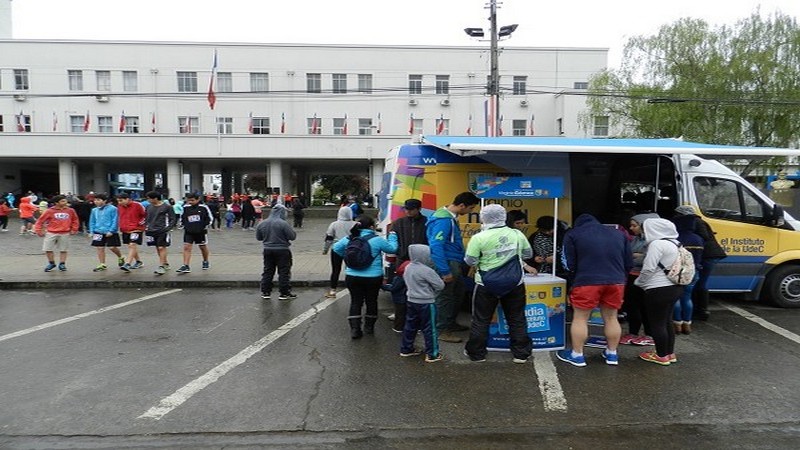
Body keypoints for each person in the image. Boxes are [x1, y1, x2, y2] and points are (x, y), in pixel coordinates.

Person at [463, 204, 535, 363]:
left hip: (485, 284)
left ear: (484, 218)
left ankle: (477, 354)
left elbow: (470, 260)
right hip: (515, 282)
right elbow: (528, 253)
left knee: (481, 319)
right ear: (503, 217)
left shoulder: (479, 237)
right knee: (517, 318)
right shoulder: (517, 234)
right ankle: (521, 354)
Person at [557, 213, 632, 367]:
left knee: (580, 318)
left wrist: (573, 279)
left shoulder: (573, 234)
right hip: (616, 281)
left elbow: (567, 263)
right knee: (612, 318)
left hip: (586, 281)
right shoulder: (618, 234)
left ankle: (577, 355)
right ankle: (612, 354)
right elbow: (628, 262)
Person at [426, 191, 480, 343]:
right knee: (445, 297)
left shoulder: (448, 217)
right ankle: (442, 330)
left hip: (453, 261)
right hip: (448, 262)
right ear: (462, 205)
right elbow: (436, 245)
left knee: (458, 293)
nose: (470, 212)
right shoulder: (444, 220)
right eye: (470, 208)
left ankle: (450, 323)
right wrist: (444, 270)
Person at [332, 215, 398, 339]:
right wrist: (393, 236)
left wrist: (346, 258)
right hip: (373, 277)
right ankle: (369, 327)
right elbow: (393, 249)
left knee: (356, 302)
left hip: (352, 276)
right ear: (372, 227)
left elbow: (336, 248)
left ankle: (355, 330)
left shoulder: (351, 238)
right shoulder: (377, 240)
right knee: (371, 301)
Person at [634, 218, 684, 365]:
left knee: (657, 323)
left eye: (645, 229)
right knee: (667, 321)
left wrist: (640, 283)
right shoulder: (675, 243)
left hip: (658, 289)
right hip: (675, 287)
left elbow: (649, 268)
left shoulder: (656, 244)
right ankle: (669, 353)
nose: (644, 233)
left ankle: (661, 356)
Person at [675, 205, 726, 321]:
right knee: (697, 284)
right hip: (705, 255)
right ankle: (697, 310)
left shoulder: (696, 222)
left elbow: (705, 236)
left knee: (700, 284)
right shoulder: (695, 222)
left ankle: (702, 310)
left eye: (677, 214)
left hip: (707, 256)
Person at [619, 213, 659, 347]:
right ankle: (633, 333)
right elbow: (629, 255)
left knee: (646, 307)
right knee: (632, 305)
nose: (631, 228)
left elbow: (649, 259)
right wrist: (636, 256)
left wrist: (637, 257)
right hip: (632, 275)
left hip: (648, 277)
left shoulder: (655, 240)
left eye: (635, 225)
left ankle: (650, 335)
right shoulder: (636, 239)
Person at [400, 244, 446, 362]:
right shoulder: (427, 270)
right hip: (426, 302)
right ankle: (432, 354)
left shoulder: (408, 267)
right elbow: (440, 285)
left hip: (411, 300)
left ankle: (406, 349)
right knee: (430, 328)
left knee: (410, 325)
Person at [388, 198, 428, 328]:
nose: (408, 211)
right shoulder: (398, 223)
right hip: (402, 260)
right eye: (406, 209)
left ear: (419, 209)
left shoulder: (427, 222)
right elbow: (392, 240)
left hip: (421, 261)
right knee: (400, 289)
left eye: (411, 209)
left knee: (418, 289)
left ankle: (418, 317)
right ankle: (399, 313)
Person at [671, 211, 704, 334]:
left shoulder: (677, 238)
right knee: (687, 297)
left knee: (676, 298)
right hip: (693, 272)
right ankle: (687, 323)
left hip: (678, 272)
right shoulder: (698, 239)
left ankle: (677, 323)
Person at [255, 204, 297, 300]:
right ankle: (284, 293)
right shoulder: (283, 223)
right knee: (284, 271)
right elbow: (292, 236)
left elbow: (258, 237)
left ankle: (266, 292)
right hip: (283, 250)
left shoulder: (262, 223)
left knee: (268, 270)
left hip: (267, 250)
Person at [33, 195, 79, 272]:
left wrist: (74, 229)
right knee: (47, 248)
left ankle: (62, 263)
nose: (65, 202)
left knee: (63, 249)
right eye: (63, 201)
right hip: (51, 232)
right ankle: (51, 263)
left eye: (65, 201)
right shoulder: (49, 211)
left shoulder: (70, 210)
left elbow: (75, 220)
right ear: (56, 203)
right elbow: (40, 221)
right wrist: (38, 230)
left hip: (65, 232)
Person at [323, 206, 357, 298]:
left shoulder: (334, 224)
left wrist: (325, 250)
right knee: (351, 269)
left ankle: (333, 290)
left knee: (335, 270)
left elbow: (329, 238)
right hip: (352, 249)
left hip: (337, 249)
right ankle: (353, 289)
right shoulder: (356, 224)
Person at [176, 193, 212, 273]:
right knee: (187, 247)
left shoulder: (203, 207)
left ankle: (205, 261)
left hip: (201, 232)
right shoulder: (185, 208)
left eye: (192, 200)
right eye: (189, 200)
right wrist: (183, 225)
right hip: (189, 231)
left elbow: (209, 218)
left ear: (198, 199)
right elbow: (182, 218)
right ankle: (185, 265)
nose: (190, 202)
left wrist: (204, 226)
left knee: (202, 247)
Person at [88, 193, 124, 272]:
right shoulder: (94, 210)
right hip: (98, 231)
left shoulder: (113, 209)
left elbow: (115, 220)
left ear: (104, 201)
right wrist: (91, 231)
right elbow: (92, 221)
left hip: (110, 231)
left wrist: (111, 230)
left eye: (98, 200)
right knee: (99, 248)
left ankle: (120, 257)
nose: (96, 202)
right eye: (95, 200)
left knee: (112, 247)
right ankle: (102, 264)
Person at [144, 191, 177, 276]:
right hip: (151, 230)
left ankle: (161, 266)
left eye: (149, 198)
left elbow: (173, 218)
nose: (148, 200)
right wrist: (146, 227)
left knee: (161, 247)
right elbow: (147, 218)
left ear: (155, 198)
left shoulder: (167, 207)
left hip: (162, 230)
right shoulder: (148, 207)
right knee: (157, 247)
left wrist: (168, 228)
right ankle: (165, 263)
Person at [117, 193, 147, 272]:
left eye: (121, 200)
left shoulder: (137, 205)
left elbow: (145, 215)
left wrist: (140, 224)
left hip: (136, 229)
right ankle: (138, 261)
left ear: (127, 199)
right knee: (131, 246)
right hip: (125, 229)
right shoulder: (120, 207)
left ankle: (127, 263)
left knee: (132, 244)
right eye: (118, 201)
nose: (119, 202)